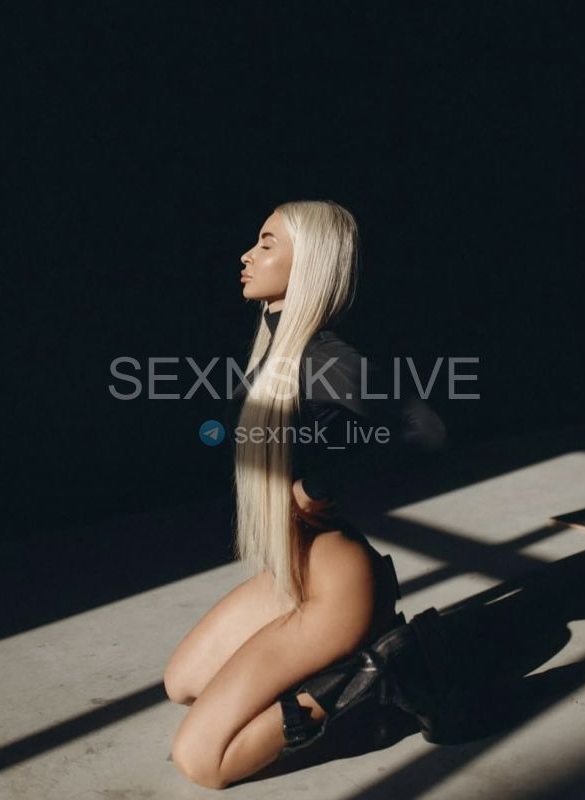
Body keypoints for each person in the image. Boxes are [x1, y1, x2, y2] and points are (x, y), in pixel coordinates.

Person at [163, 200, 448, 789]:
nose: (247, 255)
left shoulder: (327, 358)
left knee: (203, 761)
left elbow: (424, 430)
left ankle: (382, 672)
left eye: (267, 244)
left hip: (336, 583)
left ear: (309, 263)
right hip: (290, 570)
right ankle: (357, 657)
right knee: (183, 683)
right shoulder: (273, 349)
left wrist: (322, 484)